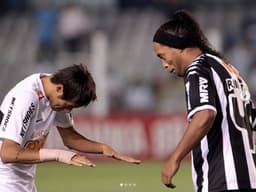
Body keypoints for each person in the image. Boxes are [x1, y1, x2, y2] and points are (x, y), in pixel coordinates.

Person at [152, 10, 256, 192]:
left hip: (222, 181)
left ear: (177, 46)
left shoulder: (197, 70)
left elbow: (205, 114)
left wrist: (174, 158)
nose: (164, 64)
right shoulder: (230, 70)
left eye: (162, 56)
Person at [0, 64, 141, 192]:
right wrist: (59, 155)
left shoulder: (55, 92)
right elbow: (8, 153)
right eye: (68, 105)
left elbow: (70, 138)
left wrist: (104, 148)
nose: (67, 111)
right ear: (60, 88)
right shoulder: (26, 97)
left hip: (24, 183)